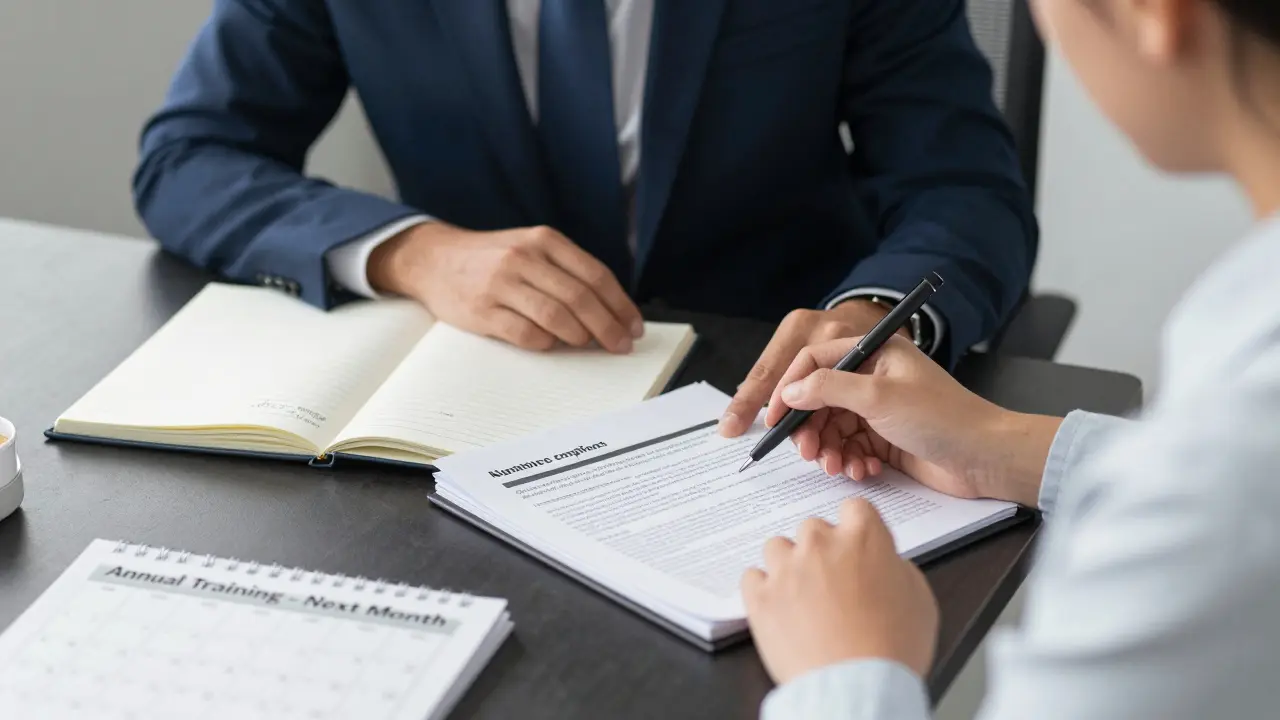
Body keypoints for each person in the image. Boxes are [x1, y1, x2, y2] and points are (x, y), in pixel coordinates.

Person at [133, 0, 1035, 430]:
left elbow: (964, 189)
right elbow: (190, 157)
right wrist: (414, 253)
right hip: (470, 414)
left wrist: (876, 320)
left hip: (776, 407)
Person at [741, 0, 1280, 717]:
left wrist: (849, 673)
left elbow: (1220, 494)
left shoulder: (1212, 491)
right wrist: (1005, 447)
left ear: (1154, 12)